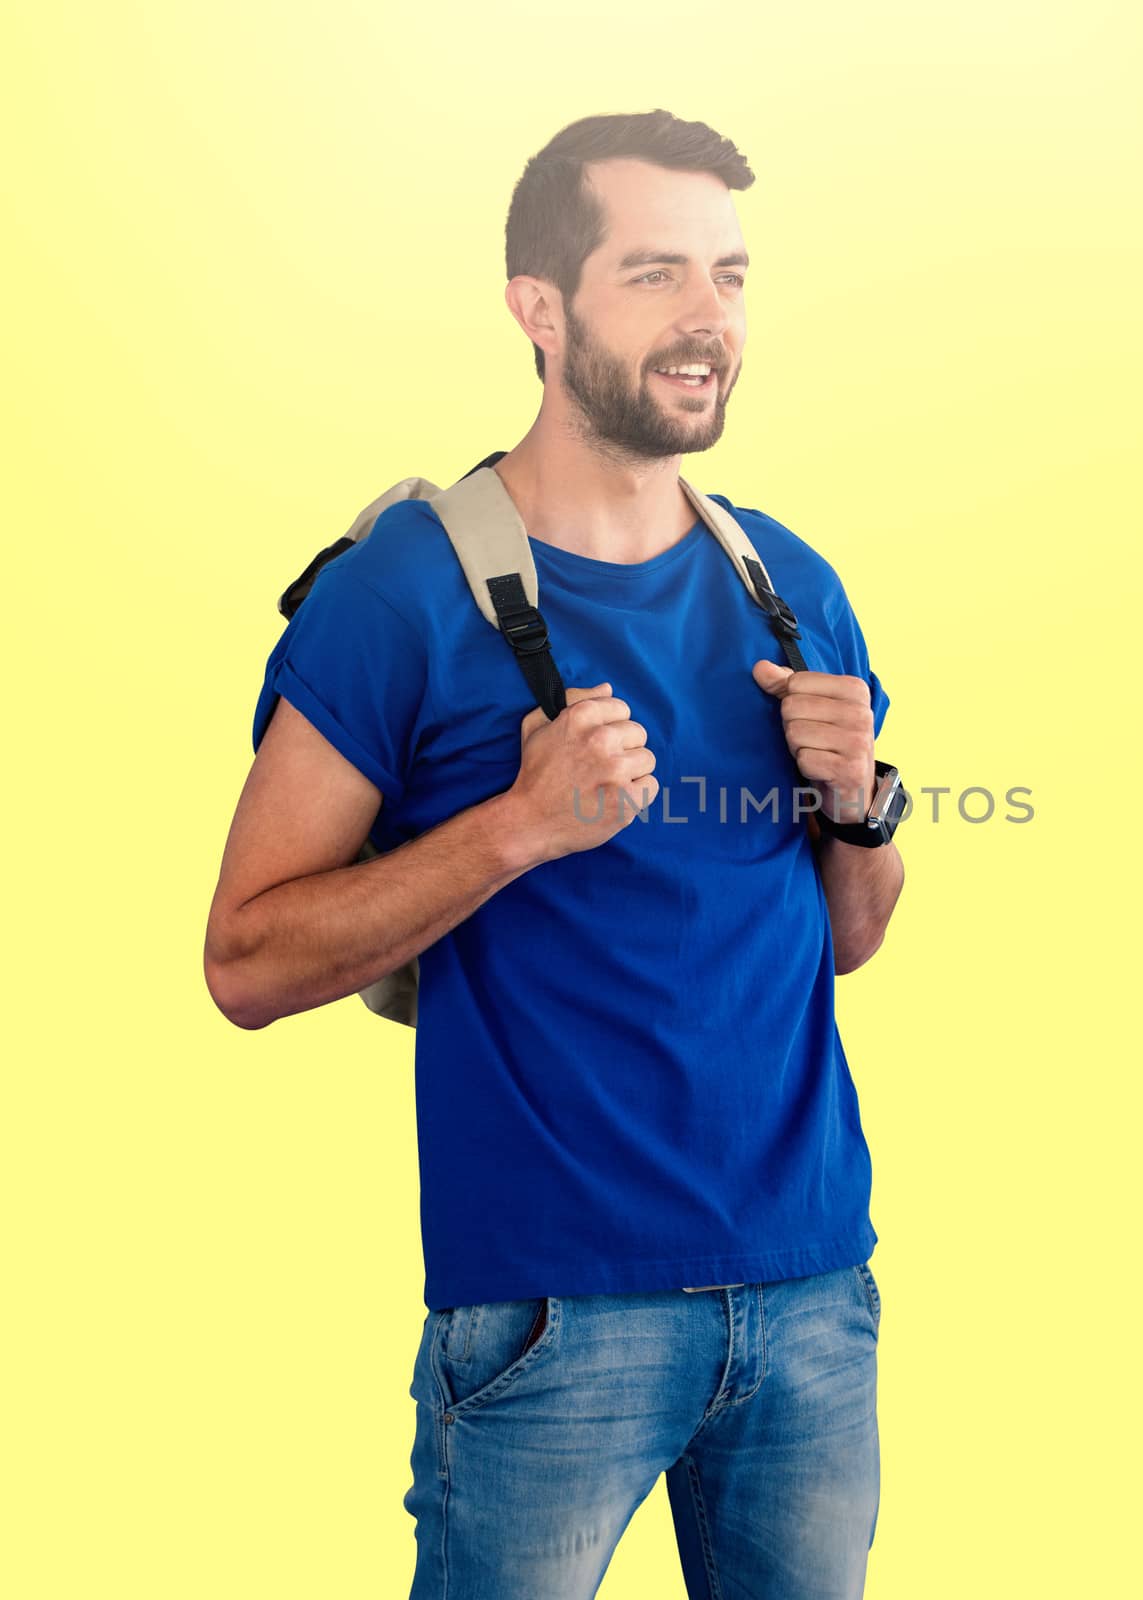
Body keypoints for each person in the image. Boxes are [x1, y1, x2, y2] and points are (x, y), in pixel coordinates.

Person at [202, 109, 904, 1598]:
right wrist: (520, 828)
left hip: (814, 1296)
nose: (708, 317)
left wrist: (860, 809)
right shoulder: (403, 593)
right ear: (541, 307)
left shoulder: (787, 587)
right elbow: (245, 962)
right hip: (548, 1323)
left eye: (728, 274)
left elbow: (849, 935)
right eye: (654, 273)